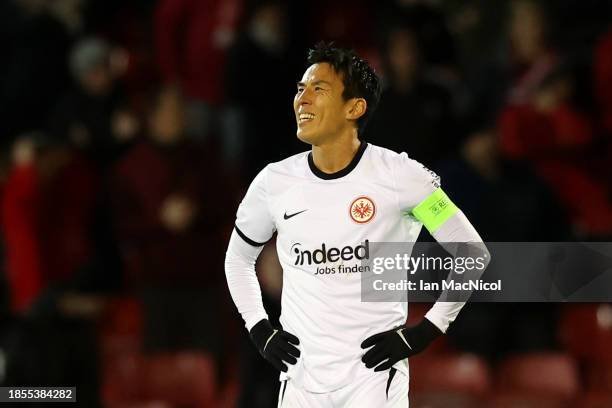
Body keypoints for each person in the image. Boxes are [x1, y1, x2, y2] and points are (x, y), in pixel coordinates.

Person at [225, 42, 489, 407]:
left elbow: (472, 252)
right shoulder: (274, 182)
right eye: (300, 89)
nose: (303, 99)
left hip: (373, 382)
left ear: (355, 107)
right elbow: (237, 259)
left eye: (318, 89)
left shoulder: (402, 176)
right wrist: (259, 328)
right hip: (301, 384)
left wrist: (427, 331)